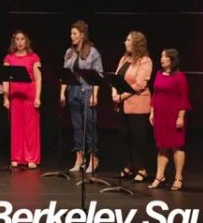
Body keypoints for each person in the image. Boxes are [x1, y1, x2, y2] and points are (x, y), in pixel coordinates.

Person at [111, 30, 154, 182]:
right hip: (122, 105)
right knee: (124, 136)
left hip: (138, 105)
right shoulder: (124, 59)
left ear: (137, 43)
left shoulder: (145, 61)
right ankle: (128, 166)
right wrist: (114, 92)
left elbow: (140, 85)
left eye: (128, 40)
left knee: (138, 138)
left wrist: (121, 96)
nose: (125, 42)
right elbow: (116, 78)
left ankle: (141, 168)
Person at [61, 20, 102, 172]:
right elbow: (65, 75)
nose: (72, 36)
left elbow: (98, 76)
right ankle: (79, 157)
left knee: (89, 125)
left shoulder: (93, 52)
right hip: (73, 91)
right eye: (71, 33)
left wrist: (95, 95)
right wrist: (62, 93)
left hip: (87, 91)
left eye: (75, 34)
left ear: (82, 35)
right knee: (77, 126)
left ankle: (93, 157)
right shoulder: (69, 52)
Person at [148, 48, 191, 191]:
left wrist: (180, 117)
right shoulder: (159, 74)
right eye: (161, 56)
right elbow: (155, 94)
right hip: (160, 116)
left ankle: (178, 177)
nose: (162, 59)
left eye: (165, 57)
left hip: (173, 116)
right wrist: (152, 112)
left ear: (172, 60)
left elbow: (184, 98)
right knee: (162, 147)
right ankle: (159, 176)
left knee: (176, 147)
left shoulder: (180, 77)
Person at [2, 30, 42, 169]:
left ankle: (31, 157)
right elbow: (5, 79)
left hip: (29, 96)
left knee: (31, 128)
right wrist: (5, 97)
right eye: (17, 39)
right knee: (16, 127)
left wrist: (38, 97)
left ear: (26, 41)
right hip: (15, 97)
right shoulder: (9, 58)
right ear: (14, 42)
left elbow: (38, 78)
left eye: (22, 39)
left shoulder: (33, 57)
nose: (20, 42)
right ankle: (17, 157)